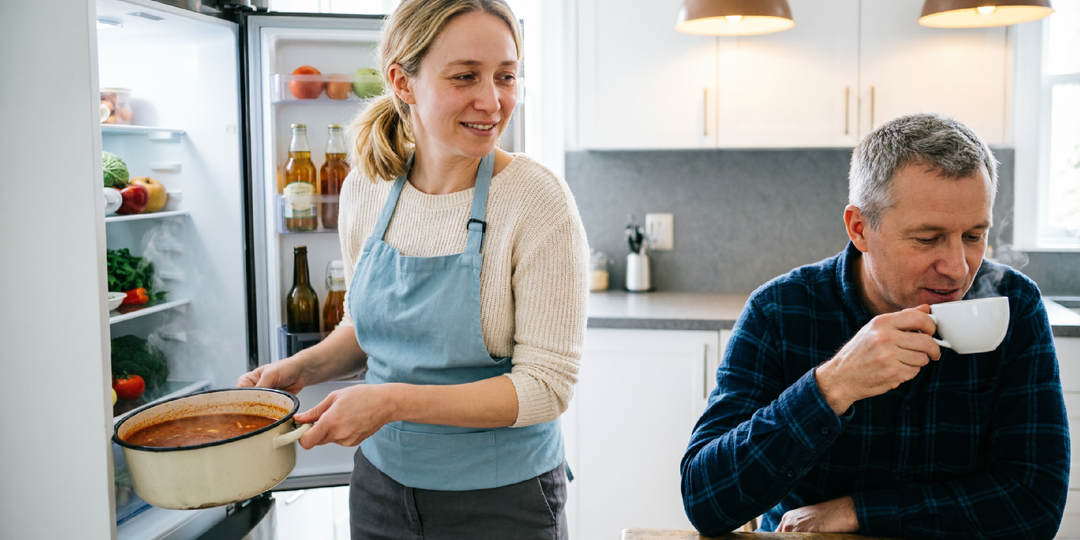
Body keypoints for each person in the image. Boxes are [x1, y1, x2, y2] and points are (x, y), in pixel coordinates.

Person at [237, 1, 588, 538]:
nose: (492, 101)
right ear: (403, 81)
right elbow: (366, 326)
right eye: (465, 76)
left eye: (506, 76)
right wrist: (300, 370)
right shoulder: (366, 189)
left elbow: (546, 387)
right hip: (380, 490)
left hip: (502, 502)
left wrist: (392, 401)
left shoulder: (536, 201)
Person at [680, 113, 1069, 539]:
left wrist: (859, 512)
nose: (958, 269)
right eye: (927, 238)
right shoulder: (780, 310)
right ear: (860, 228)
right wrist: (832, 386)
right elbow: (706, 501)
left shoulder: (1014, 304)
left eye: (974, 235)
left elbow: (1037, 503)